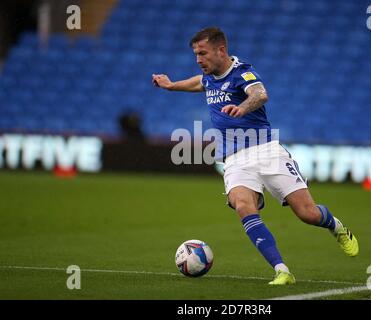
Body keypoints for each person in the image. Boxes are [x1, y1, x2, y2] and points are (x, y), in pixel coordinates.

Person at [152, 27, 359, 285]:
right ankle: (282, 270)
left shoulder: (243, 72)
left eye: (202, 53)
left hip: (266, 151)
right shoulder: (209, 77)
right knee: (243, 205)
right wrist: (171, 86)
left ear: (221, 50)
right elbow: (199, 82)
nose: (198, 59)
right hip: (234, 159)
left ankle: (335, 226)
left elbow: (260, 94)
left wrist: (241, 107)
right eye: (195, 54)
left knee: (307, 213)